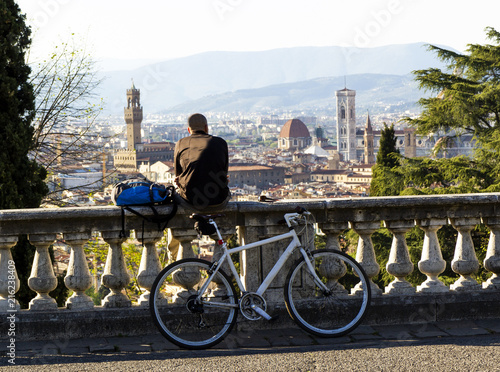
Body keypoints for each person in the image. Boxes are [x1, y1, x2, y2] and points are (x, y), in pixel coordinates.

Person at [173, 113, 230, 210]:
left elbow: (178, 175)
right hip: (218, 199)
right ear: (206, 127)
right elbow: (224, 172)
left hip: (189, 200)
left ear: (188, 130)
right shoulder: (221, 143)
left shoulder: (181, 143)